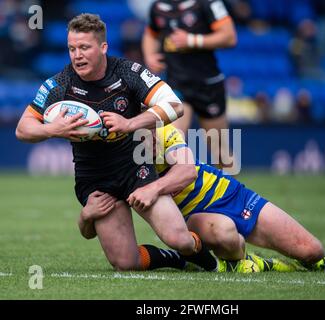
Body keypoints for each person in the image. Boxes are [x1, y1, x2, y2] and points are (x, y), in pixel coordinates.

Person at [15, 13, 255, 273]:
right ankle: (174, 260)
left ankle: (206, 257)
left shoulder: (128, 73)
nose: (77, 55)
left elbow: (174, 105)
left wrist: (130, 124)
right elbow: (23, 128)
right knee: (126, 263)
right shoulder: (60, 84)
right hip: (96, 180)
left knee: (180, 239)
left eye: (84, 47)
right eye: (72, 49)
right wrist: (52, 129)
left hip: (135, 168)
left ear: (103, 47)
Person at [80, 124, 325, 273]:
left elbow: (186, 171)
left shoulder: (164, 132)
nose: (146, 139)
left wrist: (153, 189)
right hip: (194, 219)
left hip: (234, 195)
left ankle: (312, 259)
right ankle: (245, 261)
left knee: (311, 250)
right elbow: (93, 227)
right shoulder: (120, 166)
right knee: (224, 232)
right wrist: (86, 216)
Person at [142, 0, 238, 174]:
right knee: (169, 143)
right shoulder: (157, 7)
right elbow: (150, 34)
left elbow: (229, 36)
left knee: (220, 152)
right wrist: (149, 55)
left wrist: (192, 40)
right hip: (176, 86)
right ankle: (177, 195)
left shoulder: (208, 3)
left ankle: (236, 197)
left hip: (208, 85)